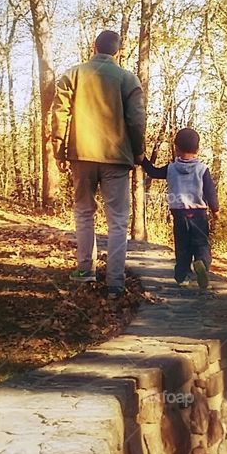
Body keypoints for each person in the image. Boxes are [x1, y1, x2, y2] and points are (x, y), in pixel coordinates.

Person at [51, 30, 146, 296]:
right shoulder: (128, 79)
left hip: (81, 155)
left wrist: (59, 149)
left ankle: (86, 270)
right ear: (118, 50)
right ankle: (115, 282)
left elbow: (59, 114)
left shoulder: (73, 74)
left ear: (94, 47)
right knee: (117, 220)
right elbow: (137, 119)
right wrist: (138, 152)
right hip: (117, 159)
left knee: (84, 212)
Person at [141, 128, 219, 289]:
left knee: (182, 246)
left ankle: (182, 277)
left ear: (176, 148)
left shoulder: (171, 168)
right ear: (197, 149)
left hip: (179, 214)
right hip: (198, 214)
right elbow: (210, 192)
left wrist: (143, 160)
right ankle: (202, 264)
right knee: (201, 244)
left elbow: (153, 172)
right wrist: (215, 210)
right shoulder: (202, 170)